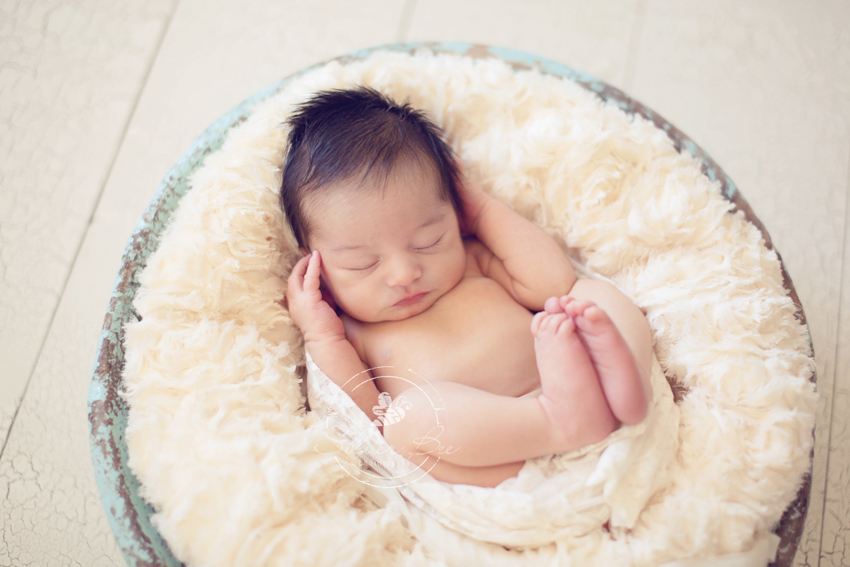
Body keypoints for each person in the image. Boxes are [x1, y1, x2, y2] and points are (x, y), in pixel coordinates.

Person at [282, 87, 653, 487]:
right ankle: (558, 424)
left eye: (429, 240)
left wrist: (484, 210)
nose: (405, 272)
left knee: (591, 295)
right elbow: (366, 419)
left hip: (576, 381)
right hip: (499, 455)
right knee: (405, 423)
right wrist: (320, 332)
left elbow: (553, 284)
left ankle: (622, 384)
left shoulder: (474, 262)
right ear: (316, 264)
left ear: (455, 214)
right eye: (363, 263)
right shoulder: (351, 331)